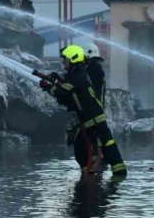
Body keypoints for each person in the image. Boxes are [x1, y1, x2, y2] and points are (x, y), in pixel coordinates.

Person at [40, 44, 127, 177]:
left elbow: (62, 92)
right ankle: (90, 174)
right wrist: (57, 79)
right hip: (89, 117)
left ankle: (118, 173)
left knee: (103, 143)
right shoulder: (78, 75)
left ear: (73, 59)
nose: (63, 62)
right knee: (83, 145)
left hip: (93, 117)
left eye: (65, 60)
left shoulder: (79, 75)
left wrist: (47, 87)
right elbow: (69, 91)